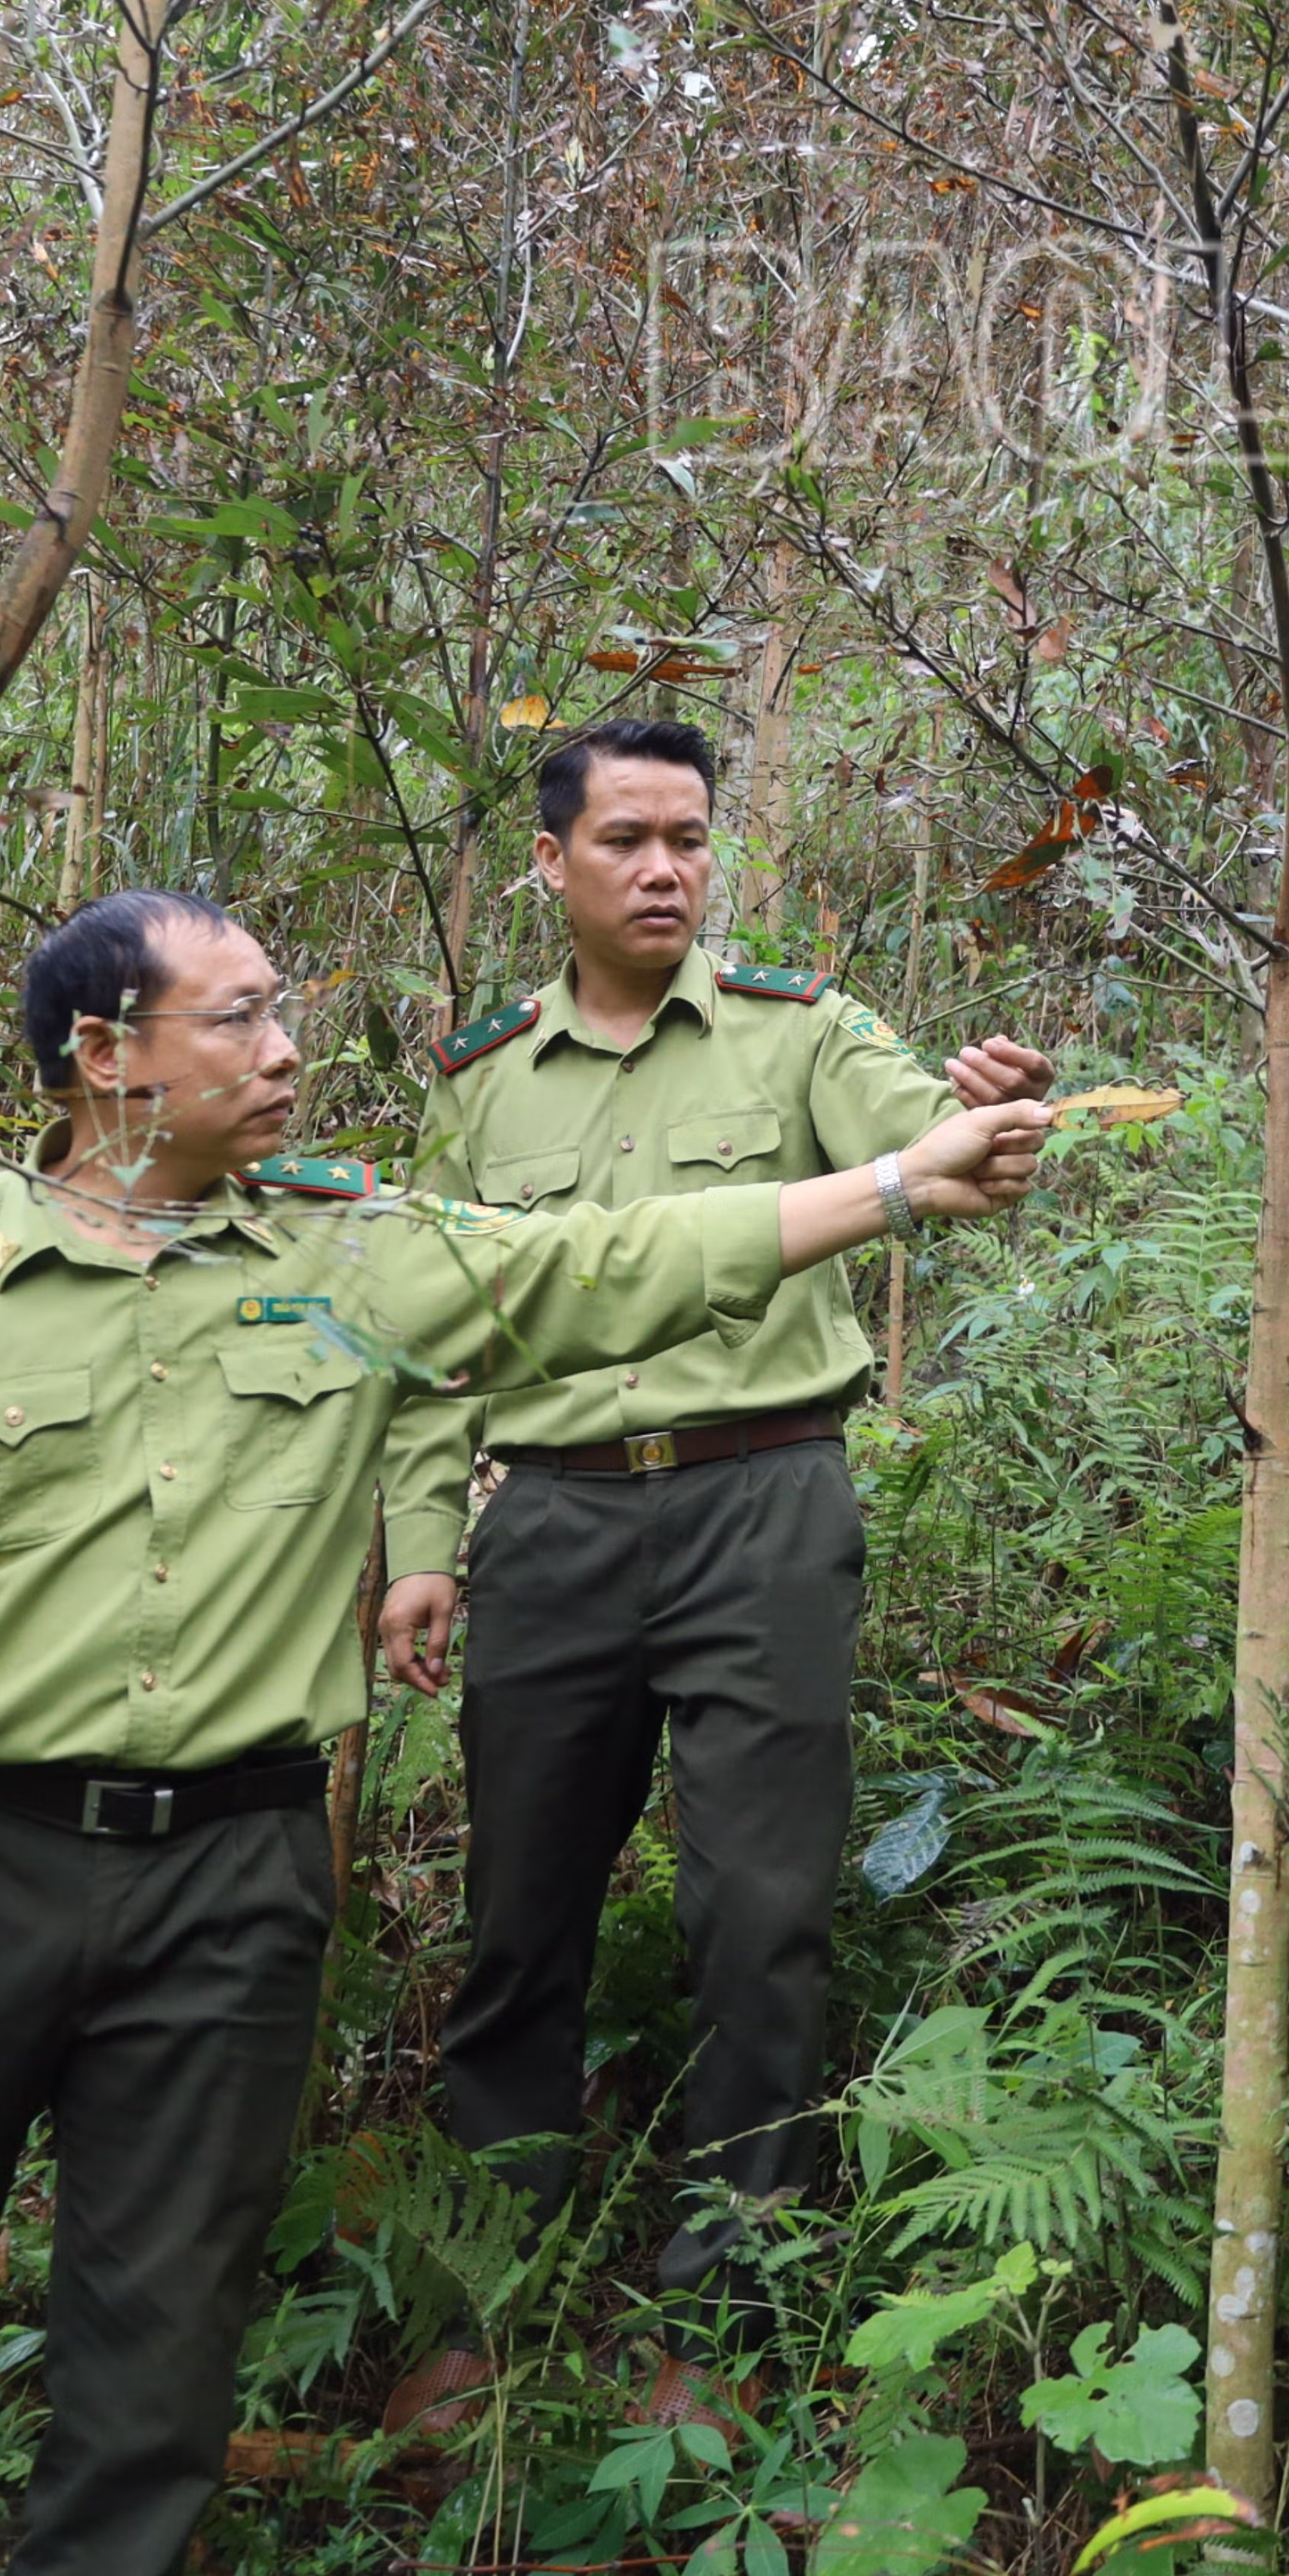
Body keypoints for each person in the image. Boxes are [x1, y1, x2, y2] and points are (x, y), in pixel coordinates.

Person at [0, 887, 1050, 2576]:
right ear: (103, 1055)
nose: (288, 1049)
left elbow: (612, 1264)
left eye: (282, 1008)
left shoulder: (349, 1262)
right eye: (236, 1016)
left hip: (232, 1882)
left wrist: (904, 1178)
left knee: (157, 2352)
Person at [371, 719, 1052, 2408]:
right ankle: (485, 2282)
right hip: (552, 1522)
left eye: (688, 836)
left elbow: (931, 1149)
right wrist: (419, 1546)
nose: (666, 867)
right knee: (521, 1914)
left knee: (760, 1912)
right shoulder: (477, 1082)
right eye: (626, 839)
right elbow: (431, 1332)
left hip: (762, 1505)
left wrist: (988, 1114)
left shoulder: (797, 1029)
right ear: (552, 865)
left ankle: (728, 2305)